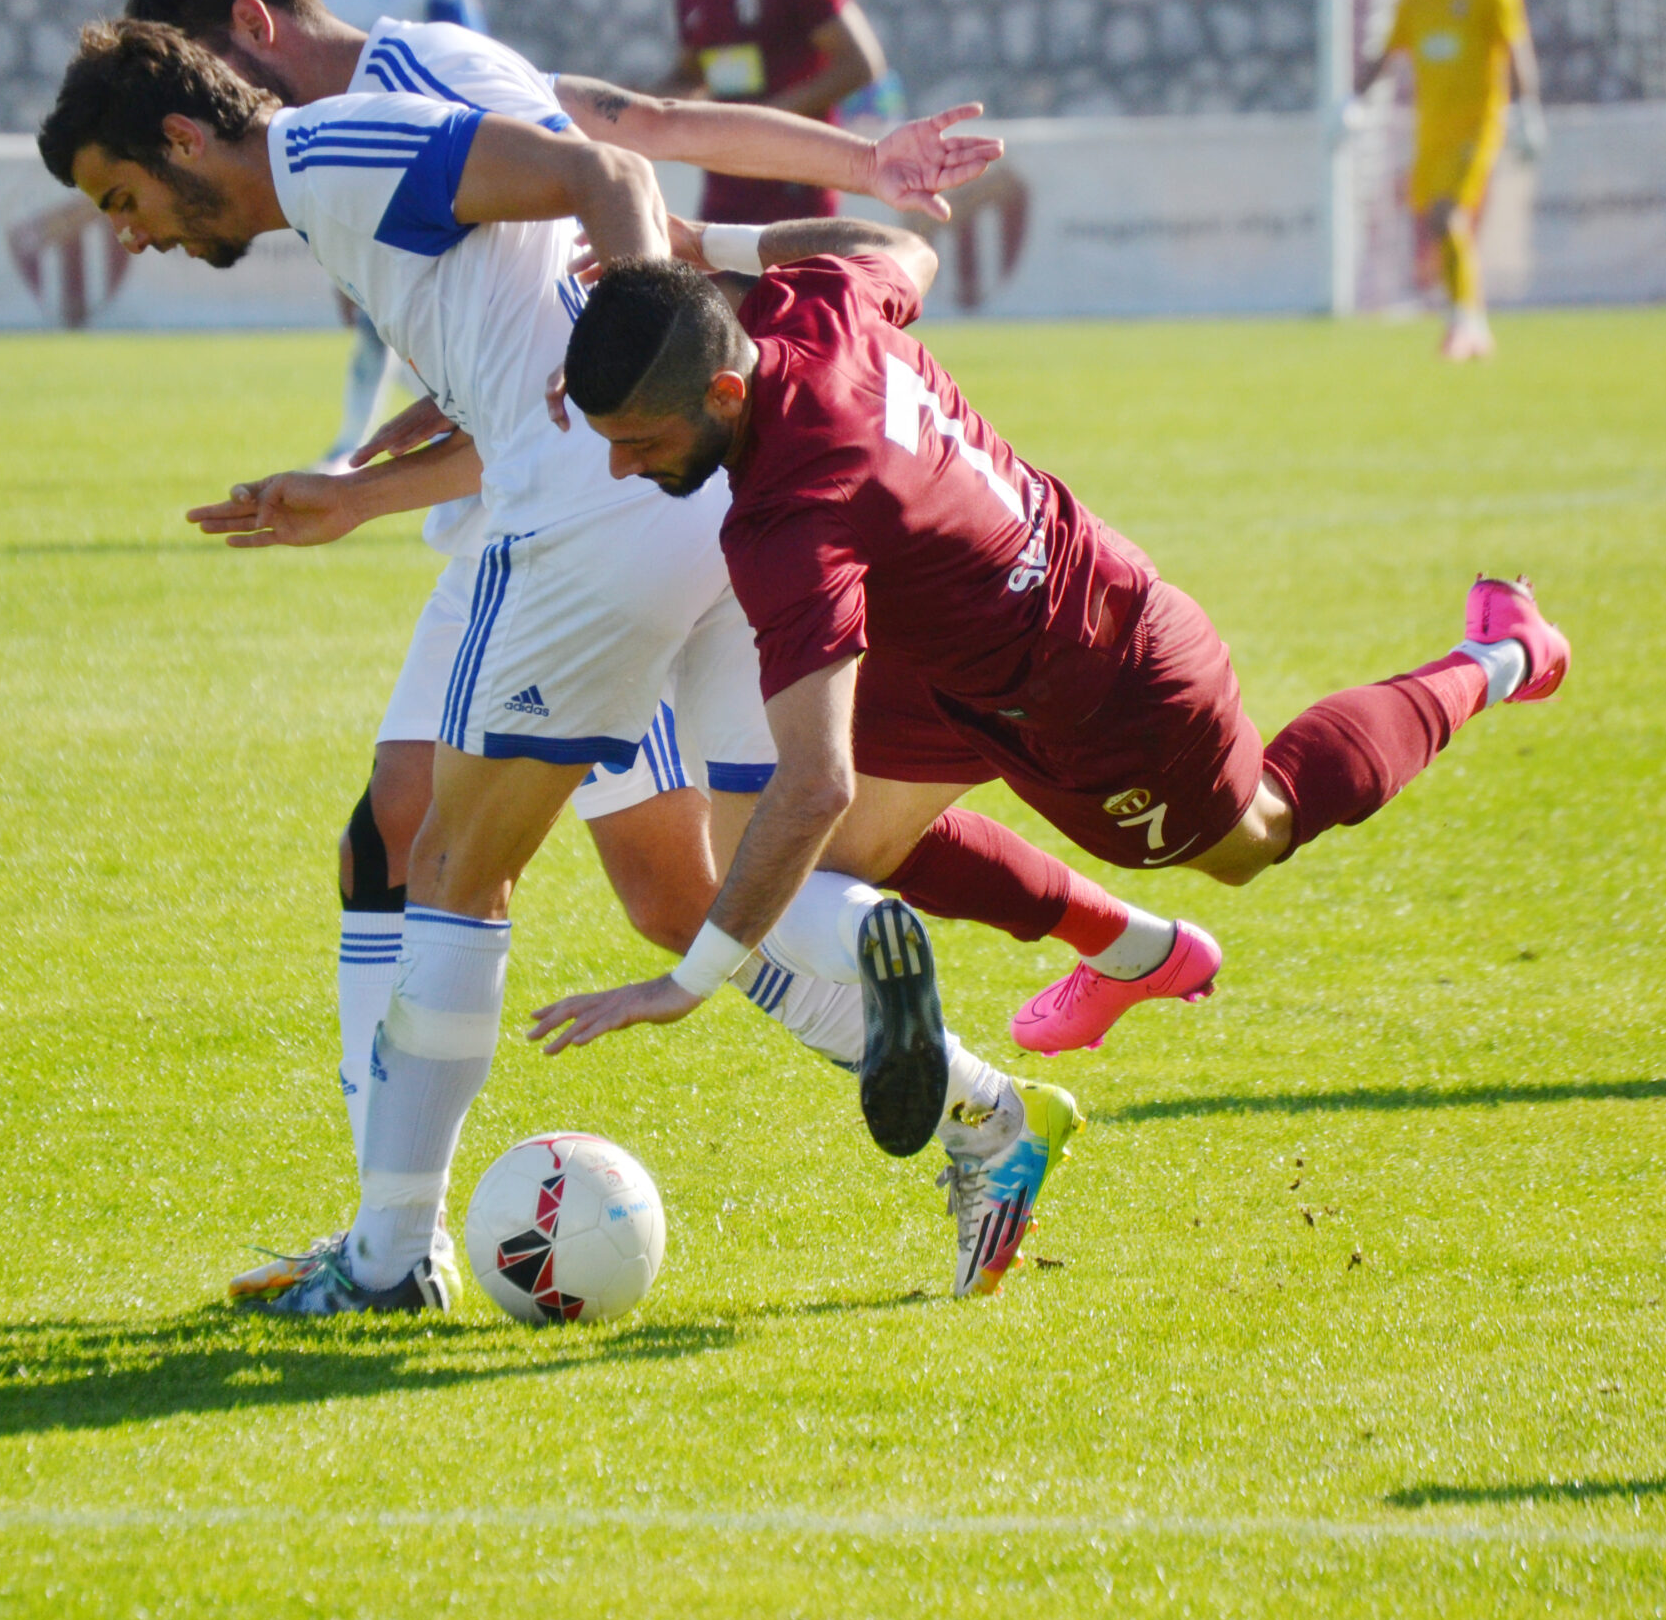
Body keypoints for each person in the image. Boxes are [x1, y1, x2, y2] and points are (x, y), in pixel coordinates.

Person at [36, 18, 1082, 1313]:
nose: (129, 231)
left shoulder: (334, 148)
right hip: (696, 500)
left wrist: (654, 343)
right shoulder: (376, 135)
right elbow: (567, 259)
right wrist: (368, 488)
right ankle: (962, 1076)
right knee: (644, 879)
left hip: (590, 531)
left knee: (449, 865)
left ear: (187, 128)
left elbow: (619, 174)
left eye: (121, 196)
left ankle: (388, 1255)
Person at [530, 222, 1570, 1069]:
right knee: (832, 868)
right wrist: (705, 236)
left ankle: (1501, 656)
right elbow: (897, 241)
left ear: (723, 393)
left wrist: (688, 981)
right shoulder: (816, 304)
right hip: (965, 658)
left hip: (1112, 691)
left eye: (642, 444)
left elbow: (814, 784)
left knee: (1255, 836)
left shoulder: (785, 523)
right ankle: (1124, 950)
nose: (623, 469)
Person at [297, 0, 488, 467]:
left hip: (430, 164)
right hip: (344, 163)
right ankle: (360, 444)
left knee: (418, 316)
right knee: (372, 314)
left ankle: (460, 427)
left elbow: (472, 61)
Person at [1349, 0, 1544, 360]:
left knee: (1445, 215)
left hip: (1477, 126)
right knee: (1438, 224)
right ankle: (1471, 321)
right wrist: (1351, 100)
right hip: (1431, 133)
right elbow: (1384, 55)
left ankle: (1466, 322)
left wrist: (1527, 110)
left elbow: (1516, 49)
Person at [661, 0, 887, 225]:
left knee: (793, 266)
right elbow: (689, 75)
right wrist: (630, 100)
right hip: (726, 190)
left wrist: (768, 118)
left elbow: (860, 63)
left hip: (796, 187)